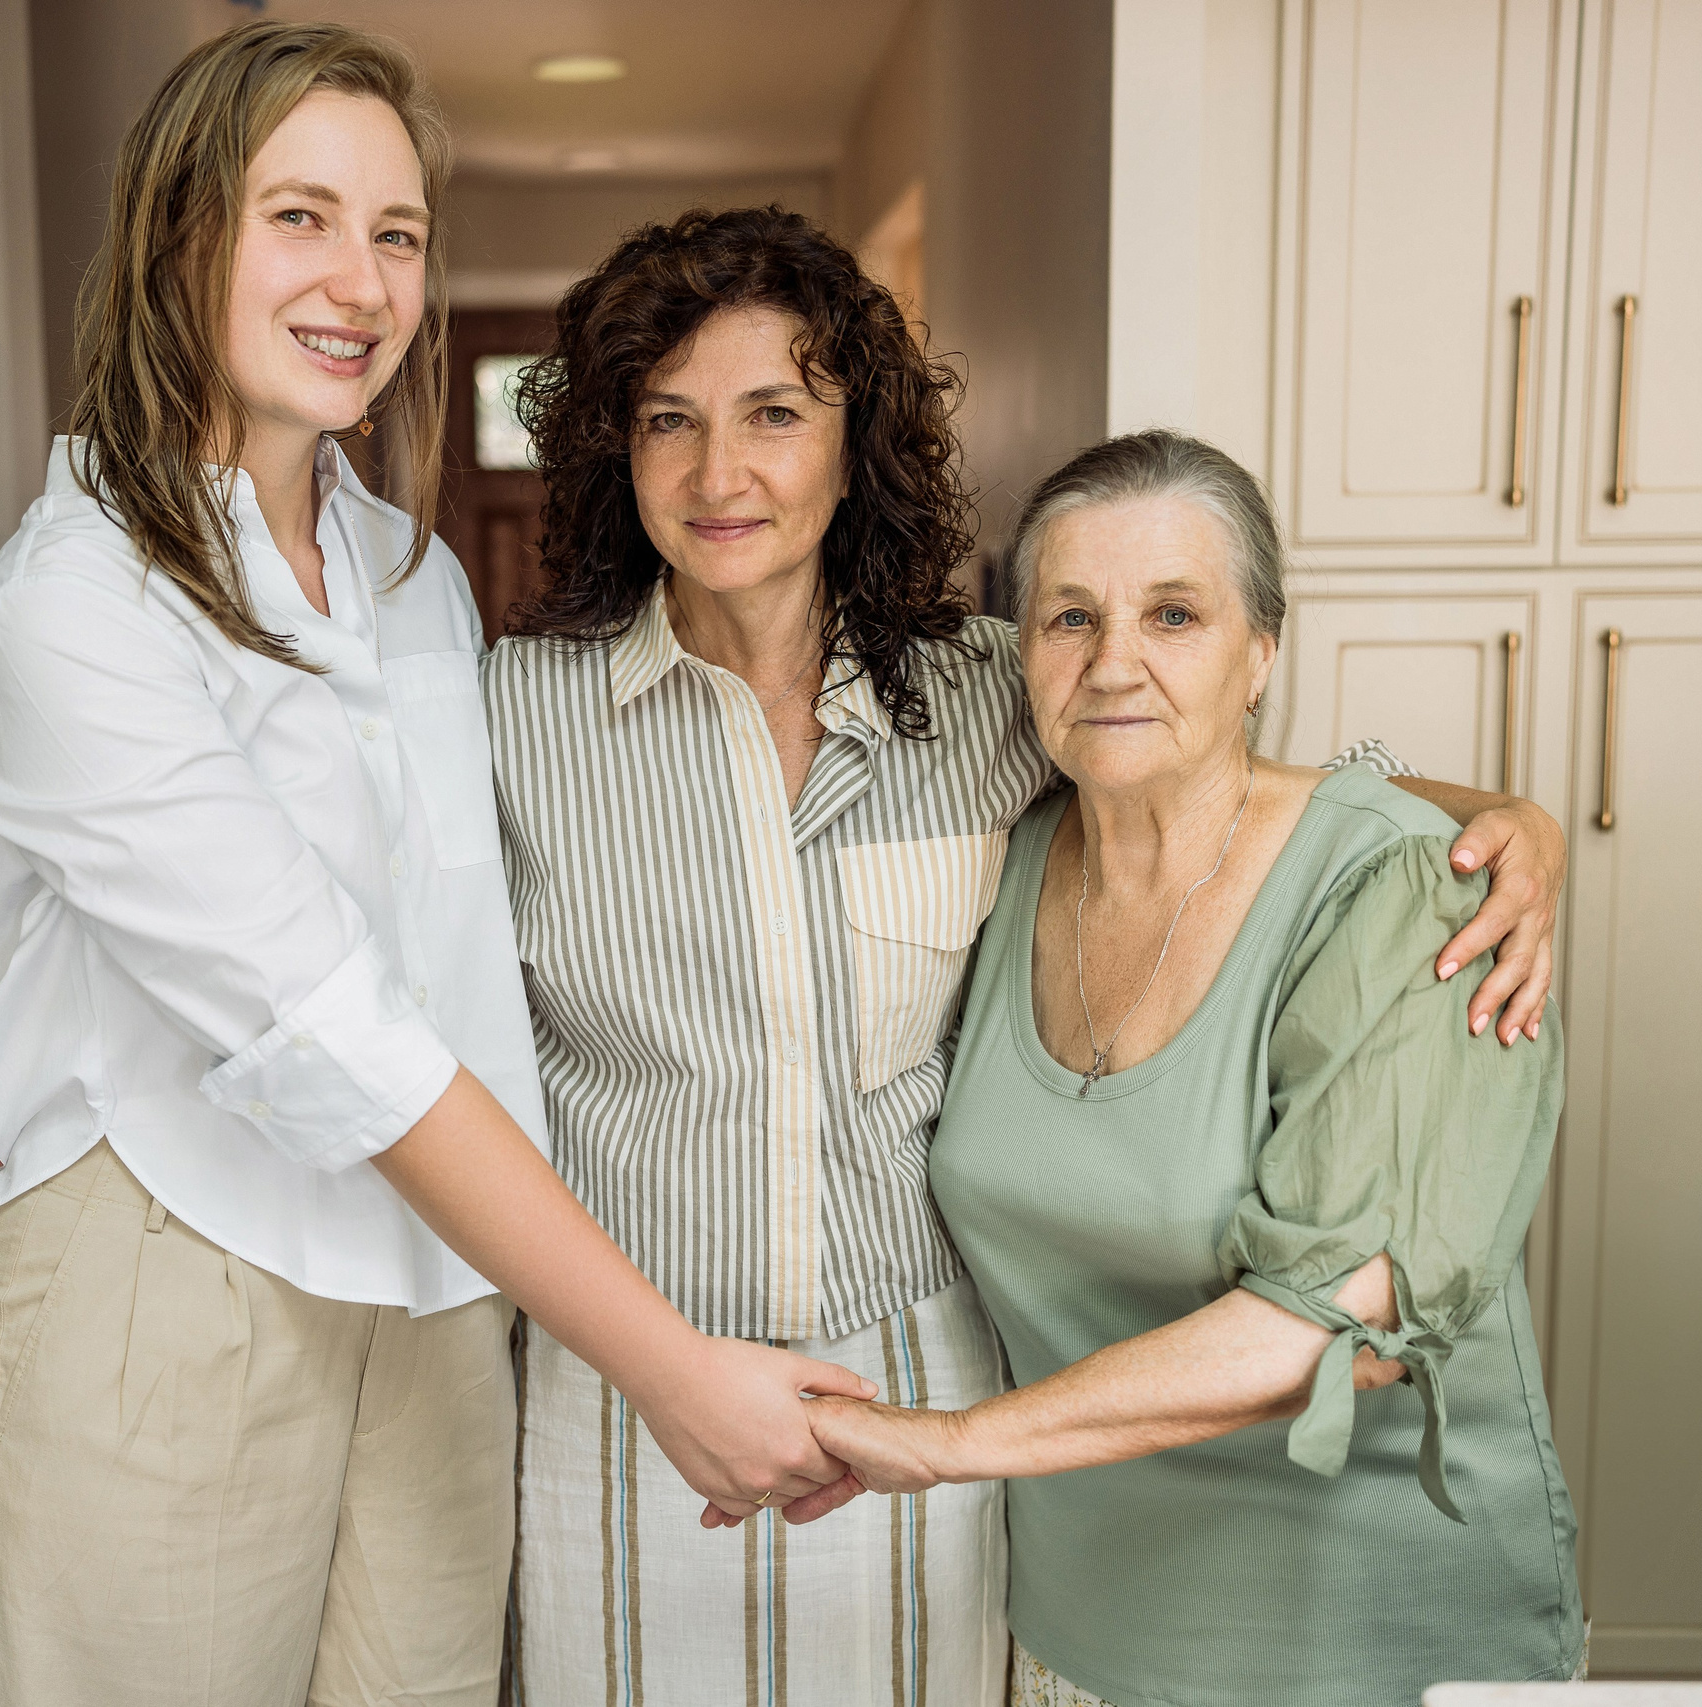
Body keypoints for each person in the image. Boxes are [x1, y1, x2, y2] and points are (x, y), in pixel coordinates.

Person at [484, 211, 1569, 1706]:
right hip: (628, 1376)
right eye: (667, 420)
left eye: (775, 414)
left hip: (927, 1374)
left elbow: (1223, 754)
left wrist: (1509, 820)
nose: (719, 473)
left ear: (854, 441)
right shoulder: (504, 720)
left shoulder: (998, 683)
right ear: (618, 448)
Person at [0, 30, 873, 1707]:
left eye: (397, 233)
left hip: (442, 1297)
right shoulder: (72, 606)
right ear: (178, 240)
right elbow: (331, 1022)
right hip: (172, 1275)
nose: (359, 281)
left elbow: (465, 940)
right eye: (301, 217)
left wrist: (1497, 821)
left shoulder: (412, 576)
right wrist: (669, 1365)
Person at [796, 430, 1585, 1707]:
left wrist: (945, 1446)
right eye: (1070, 618)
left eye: (1174, 613)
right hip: (1077, 1631)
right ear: (1021, 656)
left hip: (1367, 1644)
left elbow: (1343, 1319)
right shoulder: (1011, 858)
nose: (1115, 663)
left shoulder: (1406, 897)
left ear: (1260, 650)